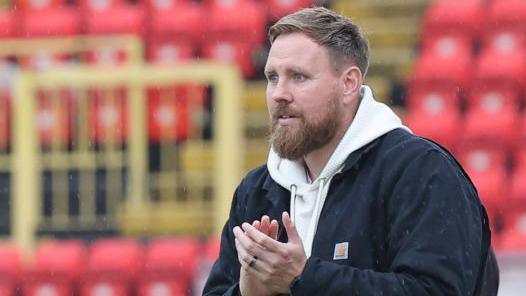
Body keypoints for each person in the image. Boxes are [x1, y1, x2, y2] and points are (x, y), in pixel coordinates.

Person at [203, 7, 498, 296]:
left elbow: (435, 290)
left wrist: (303, 277)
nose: (279, 93)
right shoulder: (256, 191)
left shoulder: (422, 172)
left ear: (349, 84)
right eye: (272, 78)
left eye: (298, 76)